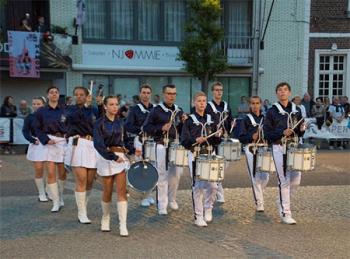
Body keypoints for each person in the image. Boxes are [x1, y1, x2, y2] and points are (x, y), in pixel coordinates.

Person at [263, 82, 306, 225]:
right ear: (277, 93)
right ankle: (285, 212)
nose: (283, 92)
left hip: (294, 147)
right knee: (284, 180)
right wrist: (282, 132)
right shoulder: (271, 111)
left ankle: (281, 200)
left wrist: (302, 128)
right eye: (280, 90)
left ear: (289, 93)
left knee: (296, 180)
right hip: (279, 147)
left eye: (285, 90)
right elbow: (267, 133)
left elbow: (299, 131)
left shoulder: (297, 110)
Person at [143, 84, 186, 215]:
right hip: (161, 144)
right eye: (169, 93)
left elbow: (183, 130)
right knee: (162, 174)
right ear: (163, 94)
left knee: (176, 174)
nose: (171, 96)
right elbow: (146, 127)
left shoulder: (179, 110)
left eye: (174, 94)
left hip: (175, 145)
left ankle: (172, 199)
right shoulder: (156, 110)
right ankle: (162, 204)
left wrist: (185, 122)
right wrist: (161, 128)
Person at [181, 92, 221, 227]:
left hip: (210, 154)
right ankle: (198, 216)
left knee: (214, 185)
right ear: (194, 103)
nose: (202, 103)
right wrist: (195, 140)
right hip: (195, 154)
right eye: (199, 101)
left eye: (204, 101)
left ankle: (208, 207)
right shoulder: (189, 120)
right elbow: (184, 141)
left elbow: (217, 140)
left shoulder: (212, 118)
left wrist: (218, 135)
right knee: (197, 186)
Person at [93, 96, 130, 236]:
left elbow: (126, 140)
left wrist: (130, 149)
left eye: (116, 104)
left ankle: (123, 225)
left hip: (120, 158)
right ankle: (106, 217)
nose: (115, 107)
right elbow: (98, 144)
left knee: (121, 191)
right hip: (106, 158)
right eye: (111, 104)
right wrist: (112, 157)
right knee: (107, 191)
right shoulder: (99, 123)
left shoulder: (121, 122)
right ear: (105, 106)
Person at [65, 87, 99, 224]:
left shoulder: (93, 110)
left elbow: (99, 123)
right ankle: (82, 212)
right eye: (76, 95)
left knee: (90, 181)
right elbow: (73, 120)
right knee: (81, 179)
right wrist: (84, 107)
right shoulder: (70, 109)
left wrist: (100, 104)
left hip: (91, 145)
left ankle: (83, 205)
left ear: (87, 96)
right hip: (77, 144)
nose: (78, 97)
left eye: (81, 95)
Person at [34, 86, 67, 212]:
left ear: (59, 95)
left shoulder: (65, 110)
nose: (54, 94)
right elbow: (37, 128)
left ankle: (61, 195)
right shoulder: (41, 111)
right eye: (51, 92)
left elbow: (71, 124)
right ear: (47, 95)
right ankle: (55, 201)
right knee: (51, 172)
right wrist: (46, 140)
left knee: (62, 173)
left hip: (63, 141)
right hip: (48, 142)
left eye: (56, 92)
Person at [125, 84, 155, 207]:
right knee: (142, 169)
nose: (146, 95)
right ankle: (142, 196)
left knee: (152, 169)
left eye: (148, 92)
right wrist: (141, 129)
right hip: (140, 141)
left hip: (152, 142)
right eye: (143, 92)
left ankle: (149, 194)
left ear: (150, 94)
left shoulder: (155, 108)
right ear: (140, 94)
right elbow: (127, 125)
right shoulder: (135, 109)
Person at [238, 96, 269, 212]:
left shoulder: (265, 119)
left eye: (257, 103)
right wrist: (252, 136)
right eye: (253, 103)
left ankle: (259, 193)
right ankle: (259, 203)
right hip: (251, 148)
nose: (255, 106)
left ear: (260, 104)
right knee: (255, 176)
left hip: (264, 148)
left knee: (266, 176)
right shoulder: (246, 119)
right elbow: (241, 137)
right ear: (250, 105)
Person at [205, 81, 233, 203]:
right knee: (214, 167)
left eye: (220, 90)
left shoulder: (226, 106)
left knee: (222, 167)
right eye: (216, 90)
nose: (219, 92)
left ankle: (217, 189)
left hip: (224, 140)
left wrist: (232, 125)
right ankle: (218, 192)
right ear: (212, 92)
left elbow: (230, 120)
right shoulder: (208, 106)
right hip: (212, 141)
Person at [22, 97, 47, 202]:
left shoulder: (48, 116)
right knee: (39, 169)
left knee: (51, 170)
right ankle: (41, 193)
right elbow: (25, 131)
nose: (36, 106)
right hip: (36, 144)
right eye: (34, 104)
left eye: (38, 104)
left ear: (43, 105)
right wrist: (32, 140)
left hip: (49, 143)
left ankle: (49, 191)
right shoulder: (29, 117)